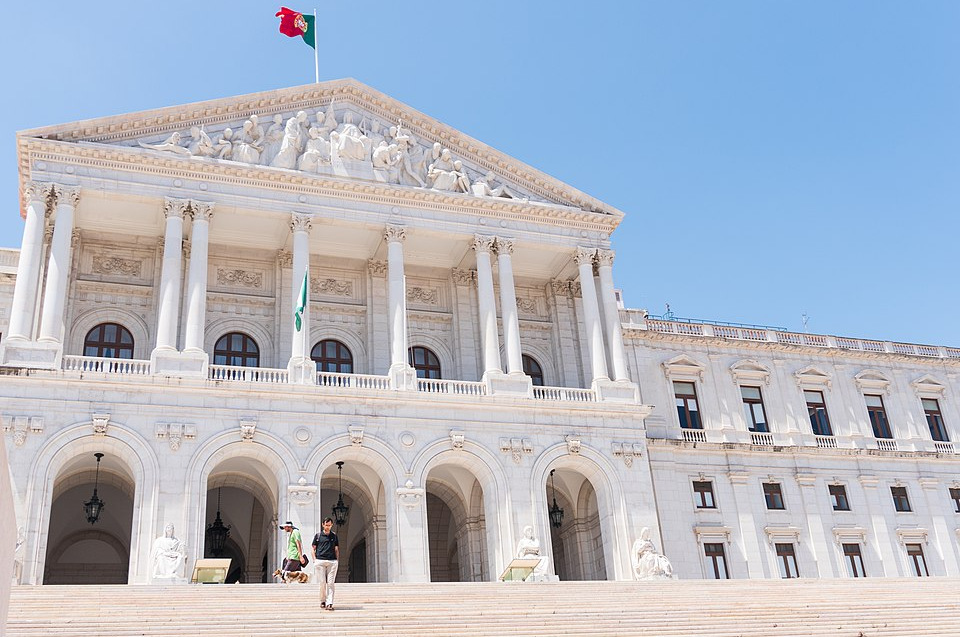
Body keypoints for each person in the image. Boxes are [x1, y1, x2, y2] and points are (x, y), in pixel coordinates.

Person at [312, 516, 340, 610]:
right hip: (320, 561)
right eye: (326, 525)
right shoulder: (318, 536)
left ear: (331, 525)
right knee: (322, 582)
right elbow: (313, 549)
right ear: (323, 525)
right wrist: (314, 560)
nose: (327, 527)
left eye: (329, 525)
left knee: (331, 582)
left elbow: (336, 549)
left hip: (332, 561)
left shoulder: (334, 536)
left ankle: (330, 603)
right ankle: (323, 600)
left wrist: (337, 560)